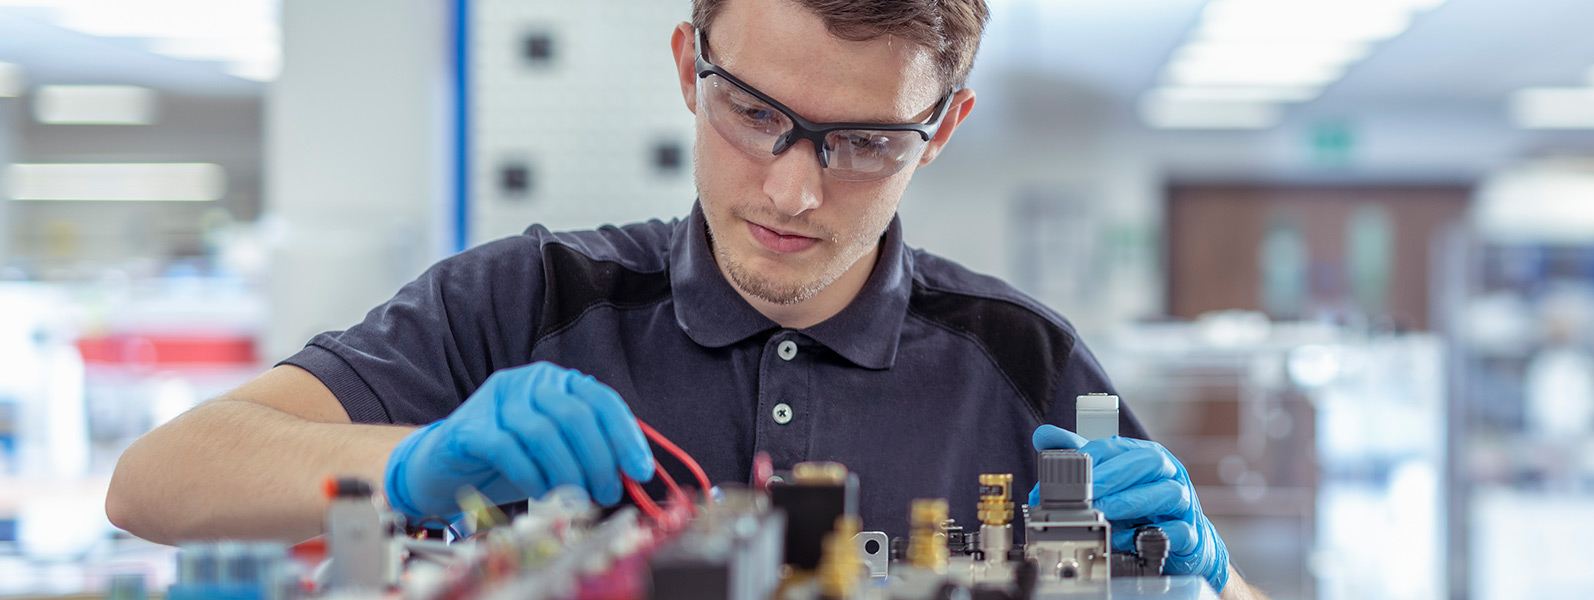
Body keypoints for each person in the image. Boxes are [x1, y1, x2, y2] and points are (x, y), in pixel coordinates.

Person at [104, 0, 1261, 596]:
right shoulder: (525, 301)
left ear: (942, 130)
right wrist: (412, 461)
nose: (795, 187)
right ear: (686, 65)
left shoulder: (1018, 359)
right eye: (755, 115)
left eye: (862, 142)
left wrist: (1199, 579)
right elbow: (152, 483)